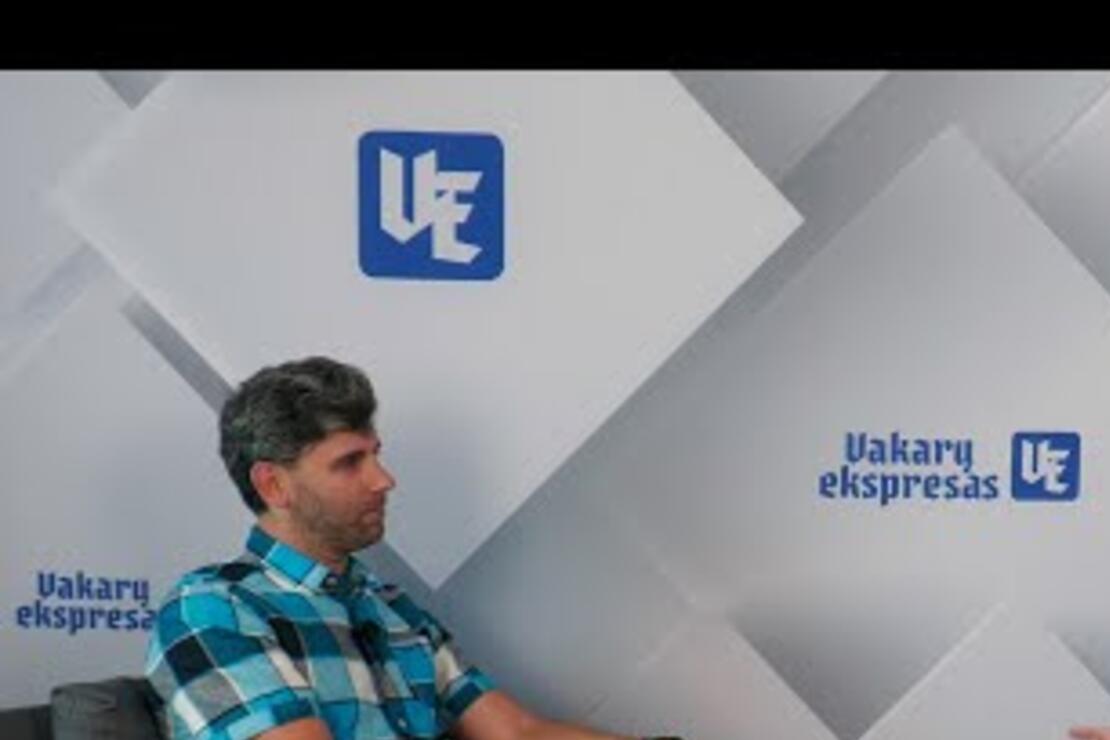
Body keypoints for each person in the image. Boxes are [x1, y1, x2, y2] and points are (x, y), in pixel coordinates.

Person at [145, 356, 677, 740]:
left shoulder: (390, 608)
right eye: (349, 462)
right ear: (273, 485)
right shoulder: (212, 609)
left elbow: (519, 733)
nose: (383, 480)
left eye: (376, 455)